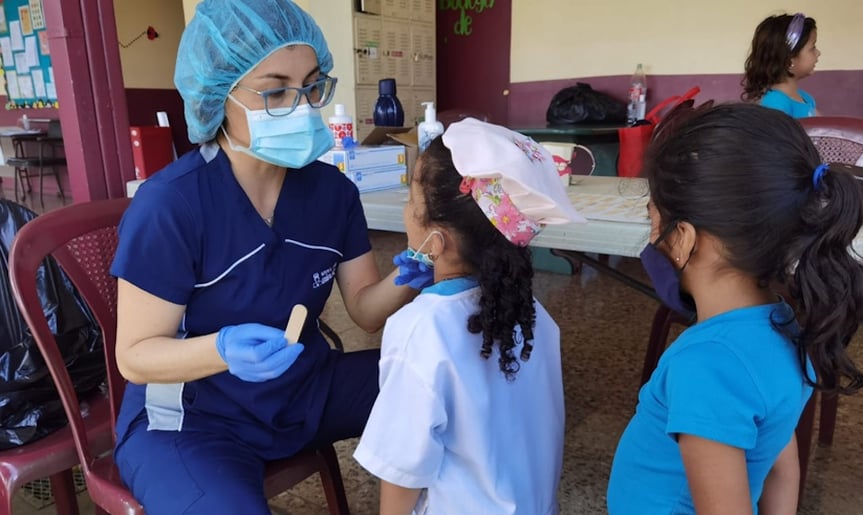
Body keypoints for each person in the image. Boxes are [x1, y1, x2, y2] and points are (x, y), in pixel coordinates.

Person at [110, 1, 431, 513]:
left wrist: (411, 273)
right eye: (277, 90)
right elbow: (135, 356)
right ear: (219, 93)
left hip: (304, 387)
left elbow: (365, 312)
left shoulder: (332, 192)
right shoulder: (173, 204)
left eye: (312, 86)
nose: (302, 107)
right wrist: (223, 349)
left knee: (441, 385)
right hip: (193, 416)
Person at [607, 103, 863, 514]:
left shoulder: (707, 365)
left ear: (685, 237)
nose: (652, 237)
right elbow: (783, 465)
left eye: (654, 218)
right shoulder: (789, 326)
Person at [353, 118, 585, 514]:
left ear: (435, 241)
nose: (407, 211)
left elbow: (401, 470)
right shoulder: (534, 316)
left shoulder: (420, 330)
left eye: (412, 201)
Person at [742, 12, 820, 118]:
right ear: (789, 60)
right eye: (812, 48)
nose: (818, 53)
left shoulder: (806, 98)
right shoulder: (775, 103)